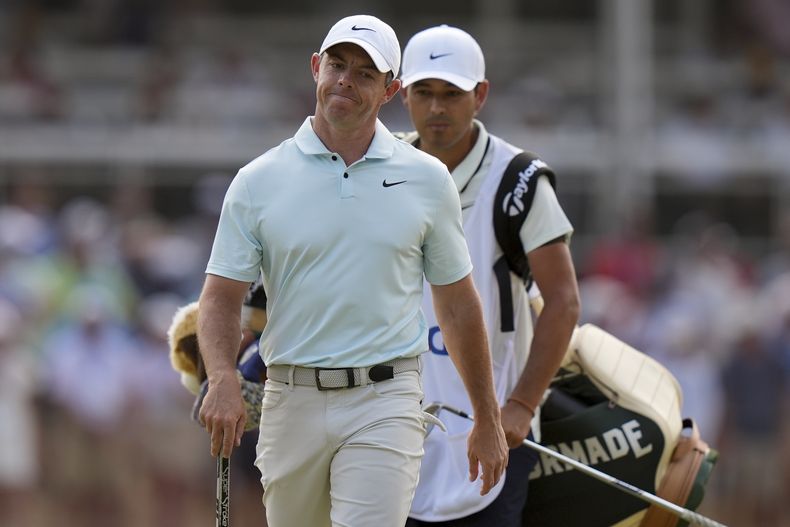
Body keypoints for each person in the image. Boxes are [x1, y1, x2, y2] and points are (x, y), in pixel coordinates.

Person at [195, 15, 508, 527]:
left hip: (385, 400)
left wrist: (487, 416)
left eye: (366, 73)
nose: (345, 79)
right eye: (337, 65)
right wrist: (223, 377)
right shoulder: (258, 180)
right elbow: (221, 297)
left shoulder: (427, 180)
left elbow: (456, 304)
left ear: (390, 90)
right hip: (290, 399)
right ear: (316, 68)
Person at [397, 25, 580, 526]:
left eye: (452, 94)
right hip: (394, 428)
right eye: (424, 93)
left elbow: (564, 303)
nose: (437, 108)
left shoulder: (518, 180)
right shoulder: (378, 166)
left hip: (493, 428)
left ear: (480, 95)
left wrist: (521, 405)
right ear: (402, 93)